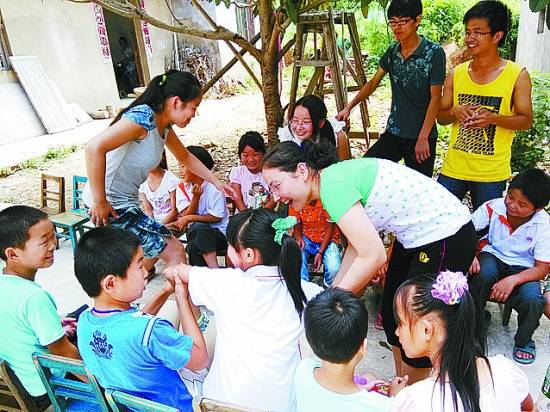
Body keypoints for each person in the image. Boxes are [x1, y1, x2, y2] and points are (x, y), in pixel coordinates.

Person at [262, 141, 476, 384]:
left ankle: (413, 394)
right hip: (414, 238)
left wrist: (325, 307)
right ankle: (403, 384)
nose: (276, 197)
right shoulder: (330, 181)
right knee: (393, 315)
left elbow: (374, 255)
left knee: (416, 326)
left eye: (276, 185)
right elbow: (356, 247)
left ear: (301, 171)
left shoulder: (332, 187)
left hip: (446, 234)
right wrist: (331, 294)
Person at [167, 208, 323, 411]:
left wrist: (179, 284)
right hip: (282, 405)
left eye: (231, 245)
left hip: (222, 404)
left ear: (248, 254)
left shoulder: (227, 283)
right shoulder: (306, 291)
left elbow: (174, 272)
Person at [83, 70, 235, 272]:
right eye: (194, 107)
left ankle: (159, 287)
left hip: (125, 203)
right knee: (172, 253)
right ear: (176, 102)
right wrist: (100, 201)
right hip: (111, 205)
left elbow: (185, 157)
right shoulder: (143, 117)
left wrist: (217, 183)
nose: (194, 114)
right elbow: (93, 148)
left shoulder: (163, 125)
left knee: (168, 253)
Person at [74, 226, 207, 411]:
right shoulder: (152, 331)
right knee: (215, 334)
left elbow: (130, 324)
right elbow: (200, 359)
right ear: (111, 283)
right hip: (178, 405)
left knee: (169, 312)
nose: (146, 272)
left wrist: (166, 290)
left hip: (132, 406)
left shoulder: (84, 321)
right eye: (139, 266)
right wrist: (182, 298)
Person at [437, 0, 533, 210]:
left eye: (478, 32)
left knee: (486, 227)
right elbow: (441, 117)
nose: (469, 38)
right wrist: (454, 111)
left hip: (491, 173)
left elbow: (526, 121)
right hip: (453, 167)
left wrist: (493, 118)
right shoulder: (457, 74)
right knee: (437, 218)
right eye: (468, 32)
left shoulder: (517, 75)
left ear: (497, 36)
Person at [391, 271, 534, 411]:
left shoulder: (416, 401)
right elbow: (530, 408)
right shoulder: (507, 371)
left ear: (427, 330)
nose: (397, 332)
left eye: (401, 323)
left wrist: (395, 399)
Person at [336, 0, 445, 177]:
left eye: (402, 22)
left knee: (416, 186)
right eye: (393, 22)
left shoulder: (434, 53)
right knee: (365, 170)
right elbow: (373, 83)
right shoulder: (393, 52)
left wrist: (423, 137)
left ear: (417, 20)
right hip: (394, 132)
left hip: (421, 135)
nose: (396, 27)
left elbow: (436, 98)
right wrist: (349, 108)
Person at [0, 206, 80, 410]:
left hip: (24, 381)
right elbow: (63, 353)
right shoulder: (34, 298)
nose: (53, 245)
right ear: (12, 254)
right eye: (44, 242)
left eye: (53, 236)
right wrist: (102, 385)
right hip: (49, 387)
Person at [468, 168, 550, 364]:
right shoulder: (493, 207)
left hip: (524, 267)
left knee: (533, 299)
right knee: (481, 275)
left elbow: (541, 269)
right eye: (510, 197)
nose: (512, 205)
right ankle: (473, 328)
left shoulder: (544, 225)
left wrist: (512, 280)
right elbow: (465, 231)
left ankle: (524, 340)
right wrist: (469, 255)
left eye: (522, 204)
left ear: (538, 208)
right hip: (493, 254)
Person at [295, 287, 406, 412]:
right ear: (363, 346)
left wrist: (364, 389)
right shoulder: (384, 406)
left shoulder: (303, 369)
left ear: (310, 341)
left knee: (370, 378)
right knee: (371, 377)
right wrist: (394, 397)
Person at [167, 146, 229, 268]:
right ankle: (210, 273)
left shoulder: (214, 187)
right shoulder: (182, 188)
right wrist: (196, 198)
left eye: (183, 166)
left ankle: (210, 272)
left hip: (218, 234)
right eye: (179, 166)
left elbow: (217, 217)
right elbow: (185, 216)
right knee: (196, 233)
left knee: (194, 242)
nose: (180, 170)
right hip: (195, 232)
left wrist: (191, 218)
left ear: (196, 167)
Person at [280, 94, 350, 160]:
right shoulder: (287, 136)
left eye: (306, 122)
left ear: (321, 123)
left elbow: (343, 165)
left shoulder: (336, 133)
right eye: (295, 120)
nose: (299, 127)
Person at [289, 200, 343, 285]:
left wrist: (320, 252)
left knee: (334, 268)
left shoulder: (326, 201)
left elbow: (330, 228)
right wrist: (299, 238)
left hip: (330, 239)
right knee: (297, 259)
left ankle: (329, 286)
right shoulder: (295, 201)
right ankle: (303, 285)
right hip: (307, 238)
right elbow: (297, 226)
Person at [229, 131, 275, 212]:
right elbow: (237, 199)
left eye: (255, 154)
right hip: (243, 215)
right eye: (246, 155)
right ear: (240, 156)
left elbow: (273, 201)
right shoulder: (237, 172)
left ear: (263, 154)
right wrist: (247, 216)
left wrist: (258, 217)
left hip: (265, 215)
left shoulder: (271, 173)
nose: (250, 159)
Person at [139, 152, 180, 225]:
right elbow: (148, 211)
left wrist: (158, 226)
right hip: (155, 223)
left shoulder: (171, 180)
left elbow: (174, 211)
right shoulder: (142, 183)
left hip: (172, 222)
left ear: (161, 157)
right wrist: (151, 226)